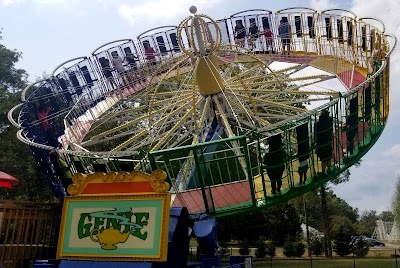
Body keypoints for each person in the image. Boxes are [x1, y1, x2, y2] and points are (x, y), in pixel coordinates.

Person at [315, 110, 333, 174]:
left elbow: (316, 135)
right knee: (328, 157)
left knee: (324, 159)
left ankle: (323, 172)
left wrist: (314, 143)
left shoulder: (317, 124)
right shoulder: (330, 120)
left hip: (321, 143)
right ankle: (329, 169)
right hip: (328, 141)